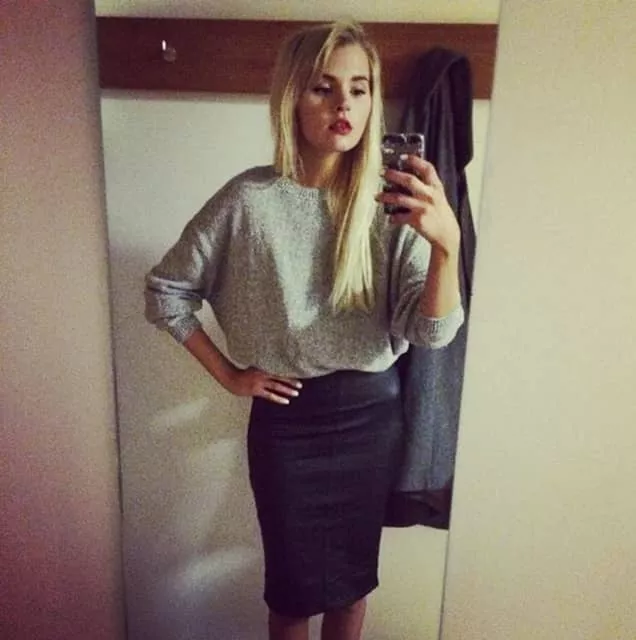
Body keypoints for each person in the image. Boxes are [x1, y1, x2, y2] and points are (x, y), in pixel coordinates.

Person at [144, 20, 463, 640]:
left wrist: (445, 247)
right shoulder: (248, 201)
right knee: (291, 599)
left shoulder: (392, 203)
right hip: (287, 423)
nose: (344, 105)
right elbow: (166, 292)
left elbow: (430, 335)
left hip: (373, 418)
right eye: (323, 87)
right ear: (292, 96)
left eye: (359, 89)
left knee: (351, 589)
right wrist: (230, 375)